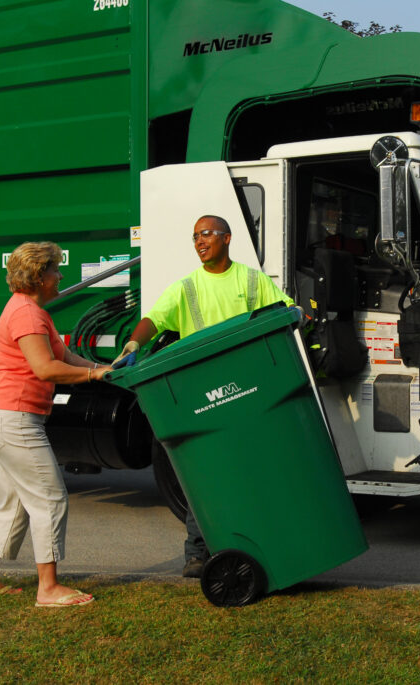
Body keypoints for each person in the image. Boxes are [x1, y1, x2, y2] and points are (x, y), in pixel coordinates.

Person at [115, 215, 294, 578]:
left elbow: (282, 310)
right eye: (195, 236)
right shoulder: (187, 287)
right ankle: (197, 553)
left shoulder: (250, 279)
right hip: (204, 389)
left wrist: (297, 313)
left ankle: (251, 542)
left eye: (207, 234)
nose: (199, 241)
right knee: (206, 475)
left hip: (248, 385)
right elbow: (156, 319)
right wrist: (135, 341)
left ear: (227, 238)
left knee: (244, 469)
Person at [0, 241, 111, 607]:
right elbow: (46, 369)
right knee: (49, 497)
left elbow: (62, 356)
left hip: (3, 416)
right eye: (55, 270)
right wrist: (93, 376)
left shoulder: (27, 310)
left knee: (14, 502)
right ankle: (48, 588)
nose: (59, 276)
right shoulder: (28, 314)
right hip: (14, 418)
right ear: (37, 276)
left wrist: (105, 370)